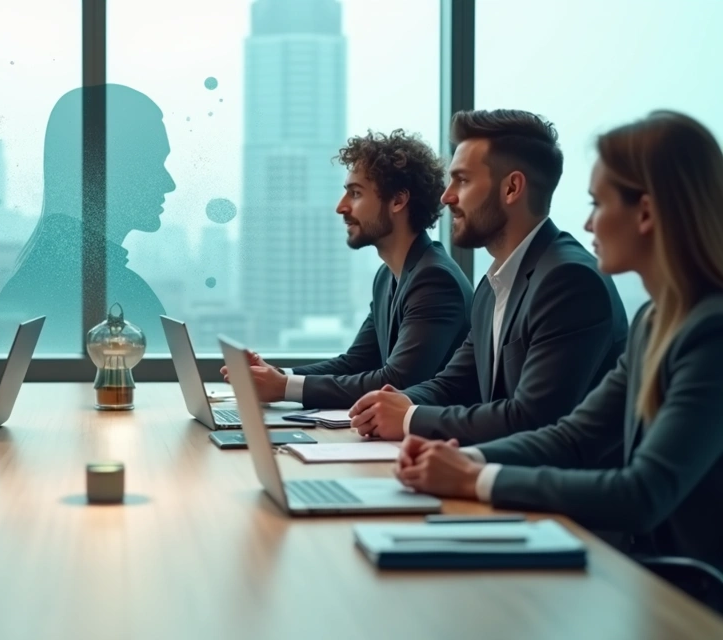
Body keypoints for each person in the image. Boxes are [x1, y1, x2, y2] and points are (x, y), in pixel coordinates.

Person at [395, 110, 723, 576]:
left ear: (646, 213)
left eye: (597, 204)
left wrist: (476, 478)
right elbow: (574, 437)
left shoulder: (711, 333)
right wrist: (459, 458)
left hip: (687, 591)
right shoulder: (655, 321)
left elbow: (642, 494)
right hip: (648, 575)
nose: (588, 224)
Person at [349, 109, 629, 445]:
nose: (447, 196)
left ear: (511, 188)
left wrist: (408, 418)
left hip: (554, 477)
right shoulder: (493, 284)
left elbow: (532, 418)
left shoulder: (569, 280)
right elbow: (454, 383)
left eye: (463, 180)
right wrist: (395, 403)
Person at [224, 129, 472, 409]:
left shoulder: (435, 280)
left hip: (435, 433)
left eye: (355, 193)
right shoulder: (387, 277)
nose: (341, 207)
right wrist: (278, 376)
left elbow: (397, 381)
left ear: (398, 201)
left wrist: (283, 388)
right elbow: (357, 362)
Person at [0, 84, 176, 353]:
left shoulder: (30, 285)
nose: (169, 183)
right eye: (153, 164)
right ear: (109, 170)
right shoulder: (121, 295)